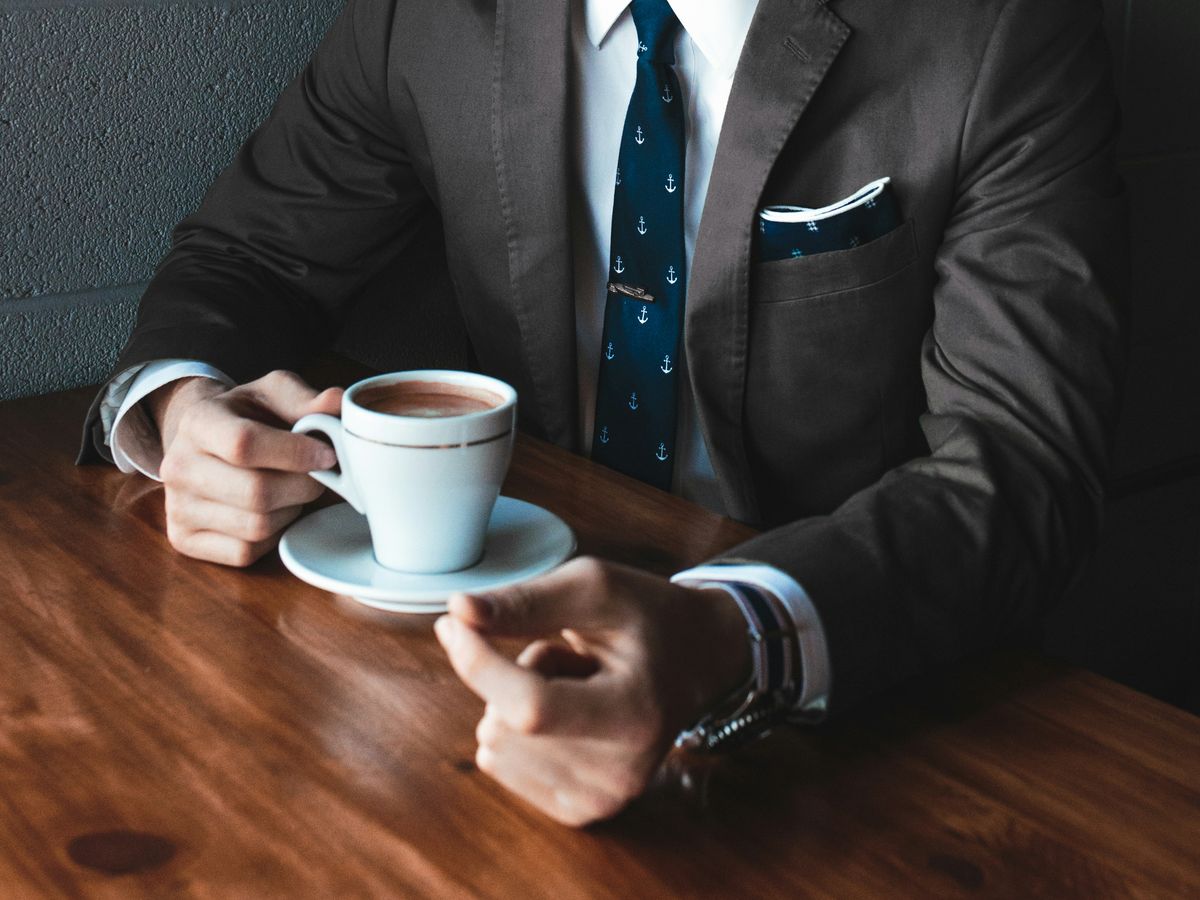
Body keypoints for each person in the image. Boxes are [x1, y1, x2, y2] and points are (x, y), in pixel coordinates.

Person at [80, 0, 1127, 826]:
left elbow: (1020, 463)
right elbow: (249, 254)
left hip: (856, 723)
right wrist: (179, 407)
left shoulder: (1002, 29)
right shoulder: (425, 15)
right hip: (464, 677)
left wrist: (735, 632)